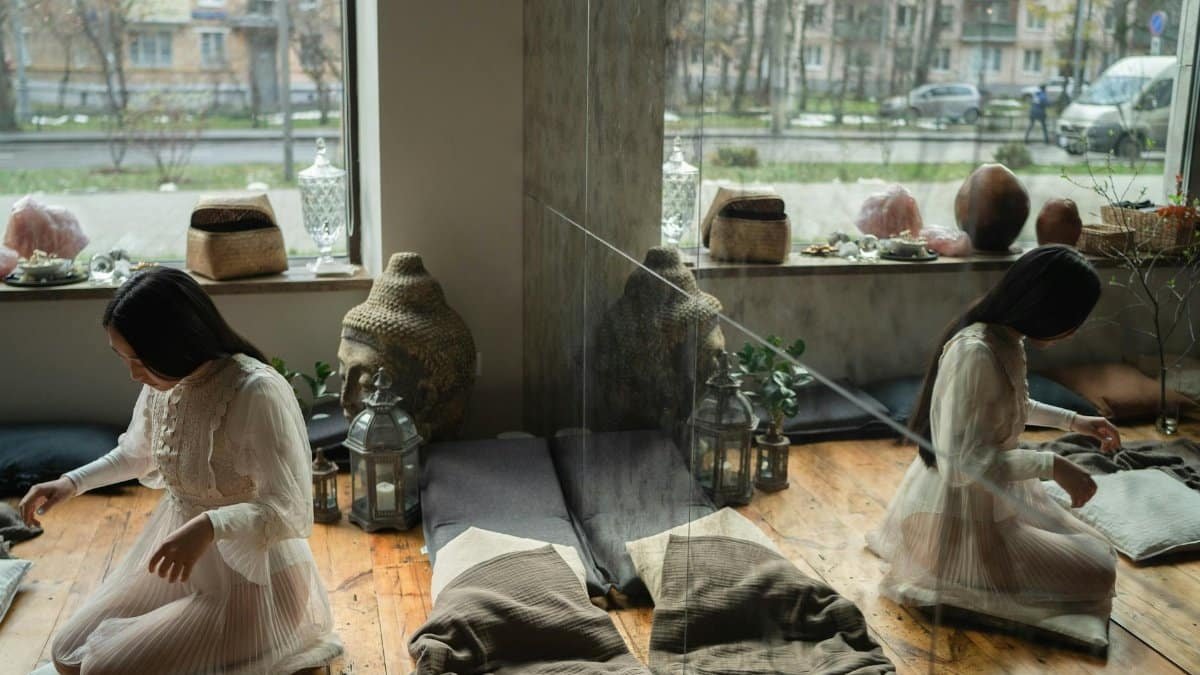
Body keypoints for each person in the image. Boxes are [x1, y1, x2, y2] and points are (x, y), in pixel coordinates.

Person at [19, 267, 342, 675]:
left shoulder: (254, 390)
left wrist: (209, 525)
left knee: (101, 668)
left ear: (176, 343)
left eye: (140, 360)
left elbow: (290, 509)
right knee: (67, 653)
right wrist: (71, 483)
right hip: (183, 566)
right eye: (125, 358)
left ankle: (267, 639)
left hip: (255, 584)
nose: (133, 373)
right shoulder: (166, 381)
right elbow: (137, 455)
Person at [868, 246, 1118, 625]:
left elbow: (1009, 403)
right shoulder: (975, 352)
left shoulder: (1007, 337)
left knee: (1100, 550)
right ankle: (955, 568)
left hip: (992, 500)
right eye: (1073, 320)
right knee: (1100, 571)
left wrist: (1074, 421)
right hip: (957, 521)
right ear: (1045, 307)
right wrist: (1051, 465)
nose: (1074, 332)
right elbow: (960, 465)